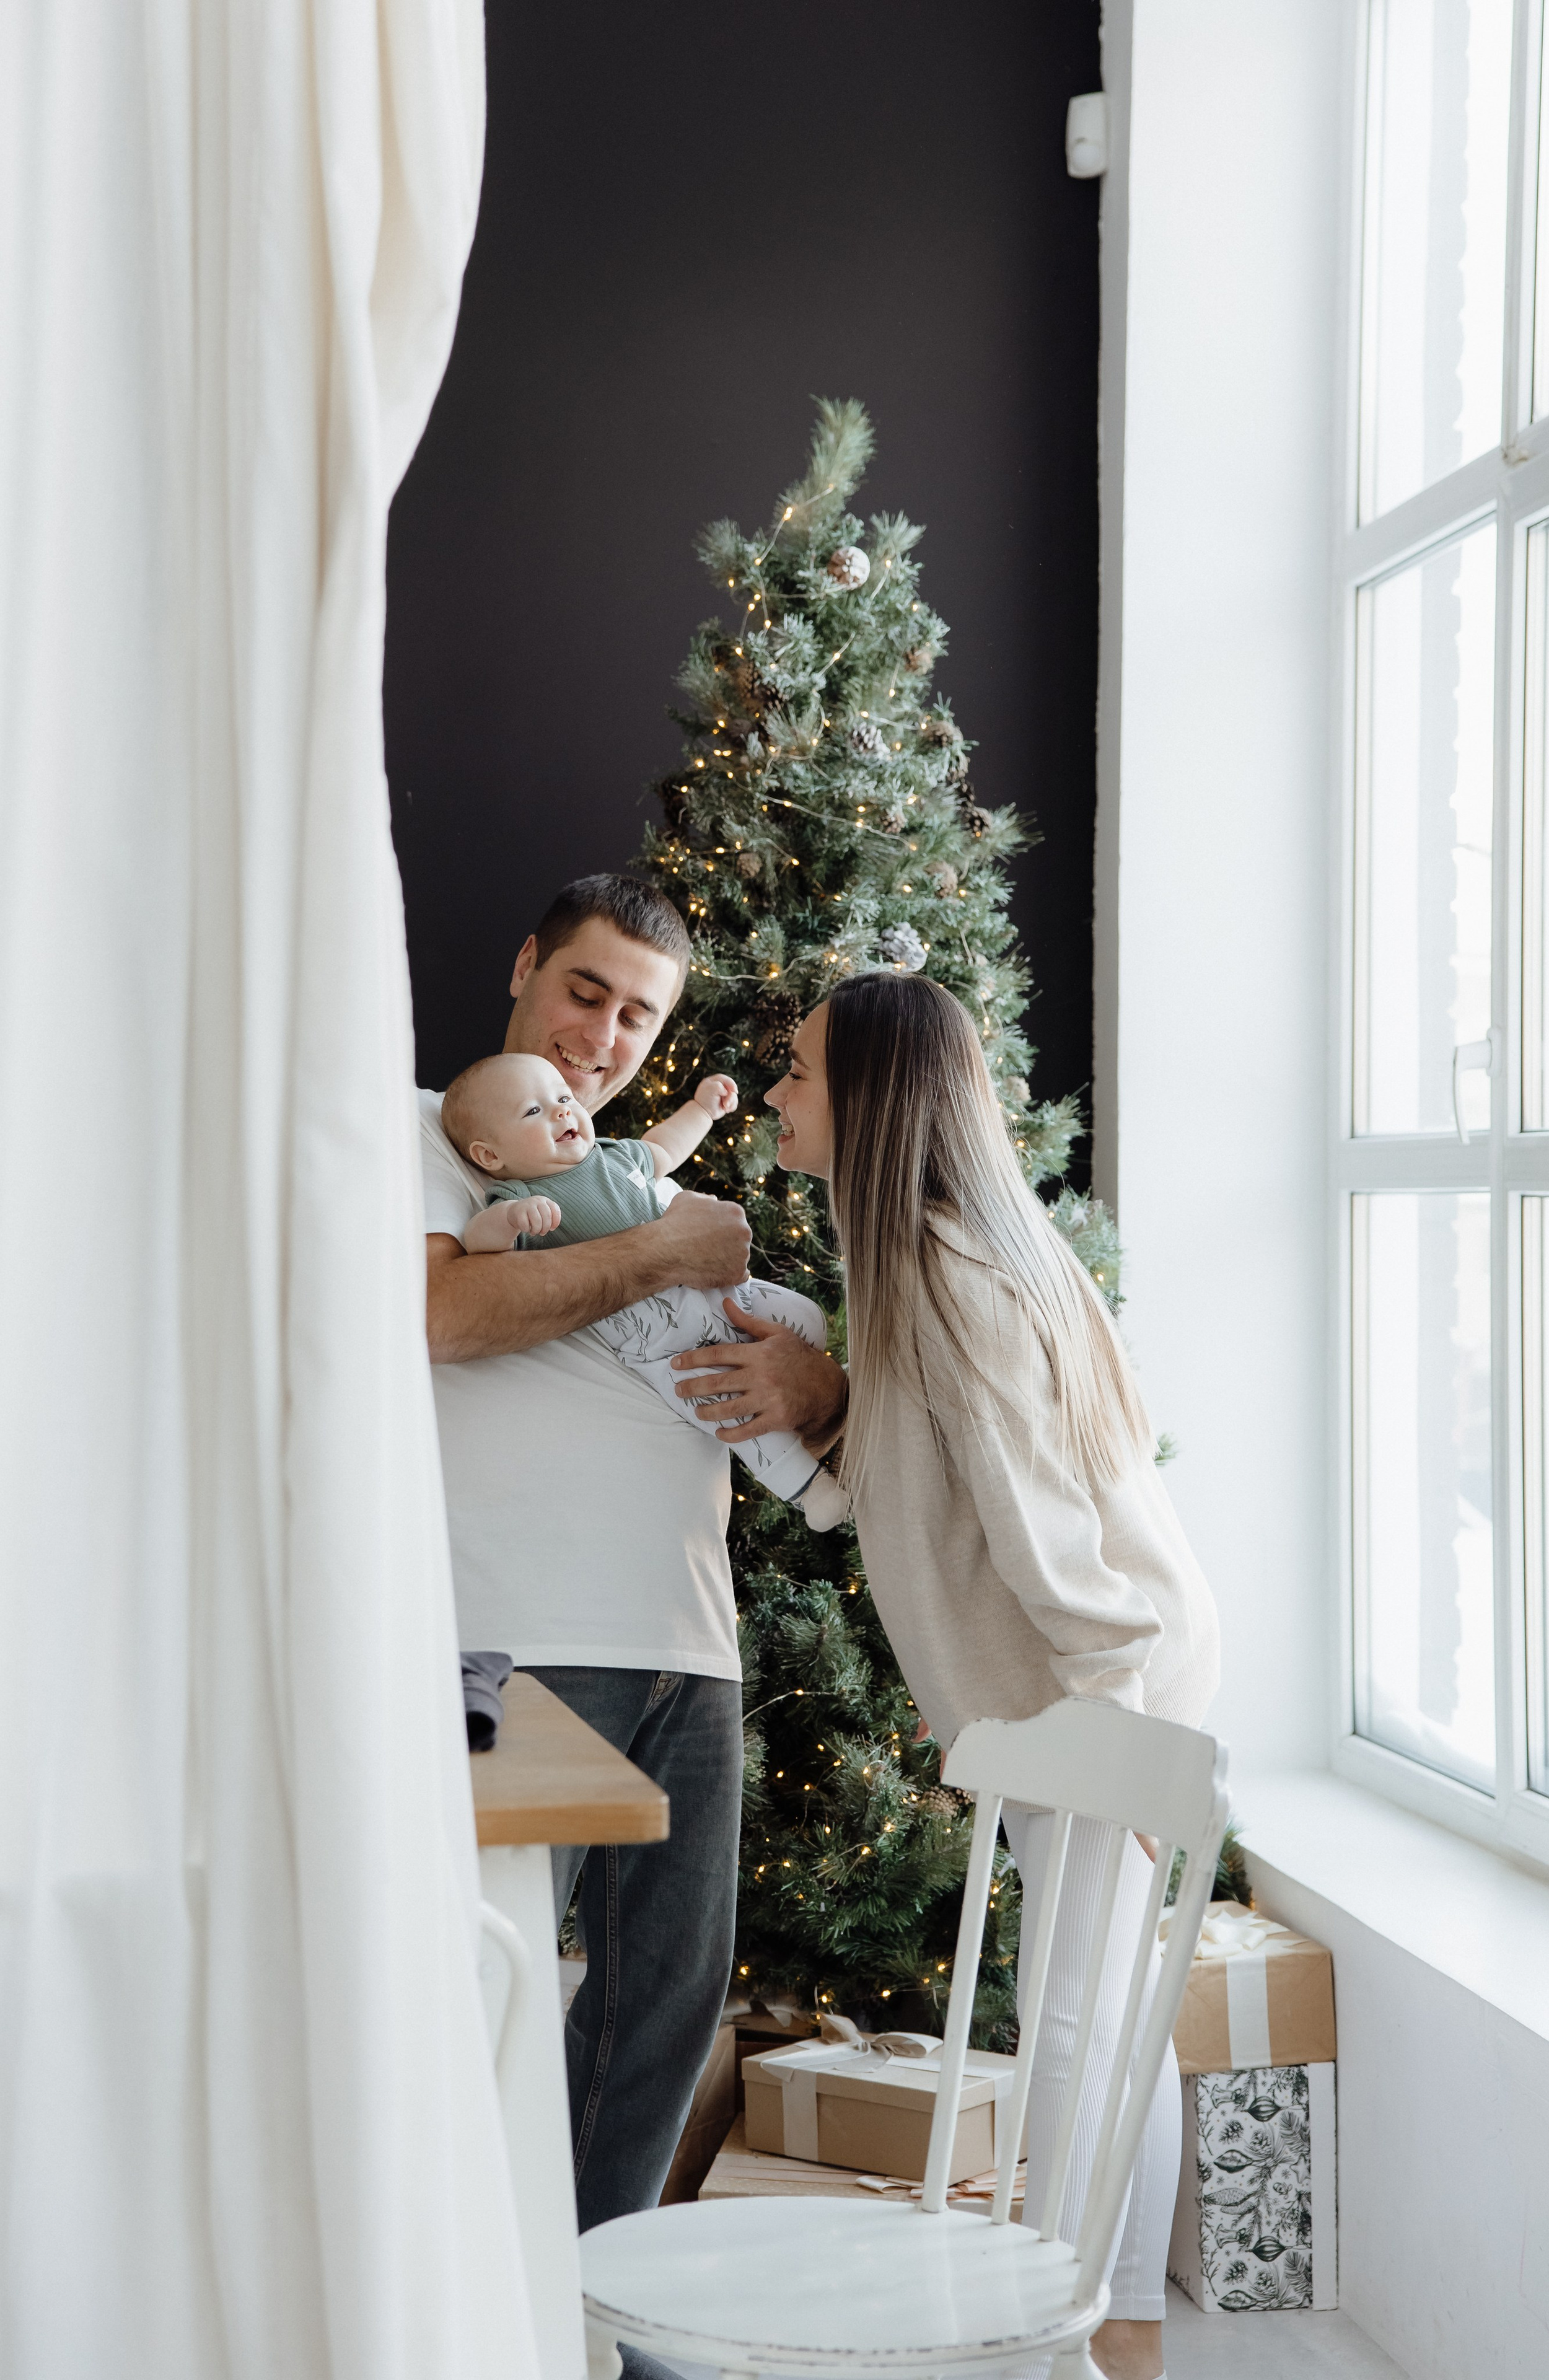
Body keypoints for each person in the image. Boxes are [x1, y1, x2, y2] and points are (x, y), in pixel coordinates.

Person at [669, 973, 1219, 2380]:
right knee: (1097, 2008)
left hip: (1103, 1680)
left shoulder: (955, 1282)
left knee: (1075, 2016)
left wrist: (1127, 1738)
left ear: (864, 1098)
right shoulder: (921, 1261)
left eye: (796, 1073)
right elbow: (922, 1494)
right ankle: (1113, 2330)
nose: (779, 1091)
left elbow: (1052, 1545)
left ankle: (1053, 2329)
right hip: (1076, 1685)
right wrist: (826, 1398)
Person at [419, 876, 846, 2262]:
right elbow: (440, 1310)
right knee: (470, 1989)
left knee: (663, 2007)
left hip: (686, 1641)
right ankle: (453, 2308)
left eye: (635, 1017)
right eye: (583, 993)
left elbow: (737, 1353)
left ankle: (580, 2307)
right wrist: (663, 1242)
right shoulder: (443, 1130)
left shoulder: (634, 1172)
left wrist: (812, 1382)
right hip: (513, 1636)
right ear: (526, 965)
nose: (601, 1037)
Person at [438, 1050, 846, 1525]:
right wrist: (507, 1222)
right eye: (534, 1110)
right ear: (491, 1156)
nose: (563, 1111)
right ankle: (811, 1490)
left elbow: (664, 1148)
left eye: (564, 1098)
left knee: (808, 1320)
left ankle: (811, 1372)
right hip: (661, 1343)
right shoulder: (521, 1197)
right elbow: (476, 1245)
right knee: (730, 1410)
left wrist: (703, 1109)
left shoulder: (612, 1153)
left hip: (718, 1293)